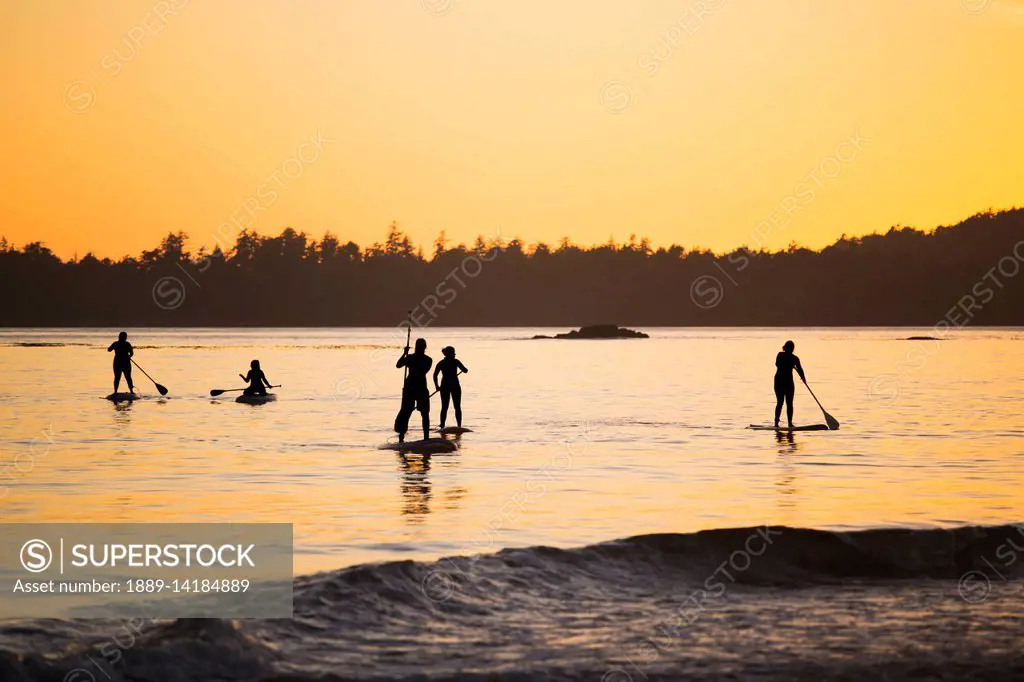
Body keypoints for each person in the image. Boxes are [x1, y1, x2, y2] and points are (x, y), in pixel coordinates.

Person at [395, 338, 433, 442]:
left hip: (421, 388)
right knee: (406, 412)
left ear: (424, 347)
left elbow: (423, 370)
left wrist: (410, 360)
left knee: (425, 413)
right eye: (418, 346)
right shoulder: (410, 357)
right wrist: (404, 354)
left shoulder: (428, 359)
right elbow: (398, 365)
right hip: (409, 388)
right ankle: (401, 436)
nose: (420, 348)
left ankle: (426, 438)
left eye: (421, 346)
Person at [433, 346, 468, 429]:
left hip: (447, 386)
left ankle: (445, 425)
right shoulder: (455, 362)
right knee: (452, 407)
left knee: (448, 407)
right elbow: (465, 370)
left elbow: (435, 375)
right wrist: (437, 386)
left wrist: (437, 386)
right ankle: (453, 425)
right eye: (453, 353)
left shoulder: (442, 363)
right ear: (449, 354)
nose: (454, 355)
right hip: (451, 386)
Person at [774, 340, 806, 429]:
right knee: (780, 402)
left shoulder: (793, 358)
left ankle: (789, 423)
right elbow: (777, 364)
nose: (791, 349)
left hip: (787, 382)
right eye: (790, 348)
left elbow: (800, 369)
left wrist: (803, 378)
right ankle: (777, 423)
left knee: (789, 403)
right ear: (786, 348)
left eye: (792, 348)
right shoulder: (785, 356)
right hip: (780, 381)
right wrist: (789, 364)